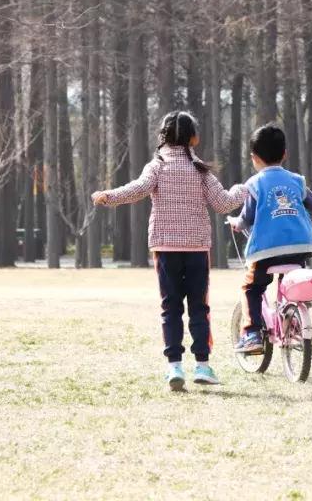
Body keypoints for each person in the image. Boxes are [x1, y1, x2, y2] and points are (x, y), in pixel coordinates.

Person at [92, 111, 246, 391]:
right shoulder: (201, 171)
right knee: (199, 307)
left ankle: (174, 367)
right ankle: (202, 365)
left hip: (165, 248)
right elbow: (224, 204)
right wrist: (243, 189)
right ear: (194, 138)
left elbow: (137, 190)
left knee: (170, 307)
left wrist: (108, 196)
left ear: (162, 136)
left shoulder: (158, 166)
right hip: (197, 248)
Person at [229, 124, 312, 354]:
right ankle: (294, 323)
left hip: (266, 250)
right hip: (300, 246)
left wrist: (235, 223)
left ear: (254, 158)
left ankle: (251, 334)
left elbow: (246, 218)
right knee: (291, 285)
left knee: (252, 287)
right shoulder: (296, 181)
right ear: (284, 154)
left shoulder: (254, 184)